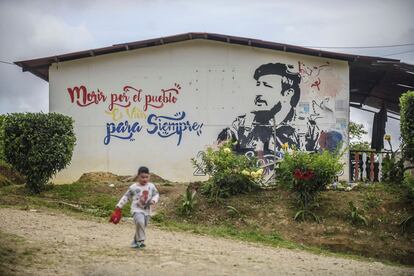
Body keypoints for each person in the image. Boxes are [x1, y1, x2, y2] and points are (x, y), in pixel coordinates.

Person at [217, 62, 320, 154]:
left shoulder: (308, 130)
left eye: (266, 86)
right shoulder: (241, 125)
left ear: (288, 93)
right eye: (258, 85)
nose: (258, 92)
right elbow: (222, 157)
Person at [109, 166, 160, 249]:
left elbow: (156, 194)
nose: (144, 179)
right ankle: (141, 241)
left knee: (143, 225)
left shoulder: (151, 186)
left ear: (149, 177)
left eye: (146, 177)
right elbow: (126, 197)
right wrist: (119, 206)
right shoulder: (133, 187)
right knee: (140, 222)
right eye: (142, 177)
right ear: (138, 176)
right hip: (136, 210)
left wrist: (154, 200)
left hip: (147, 210)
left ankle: (135, 242)